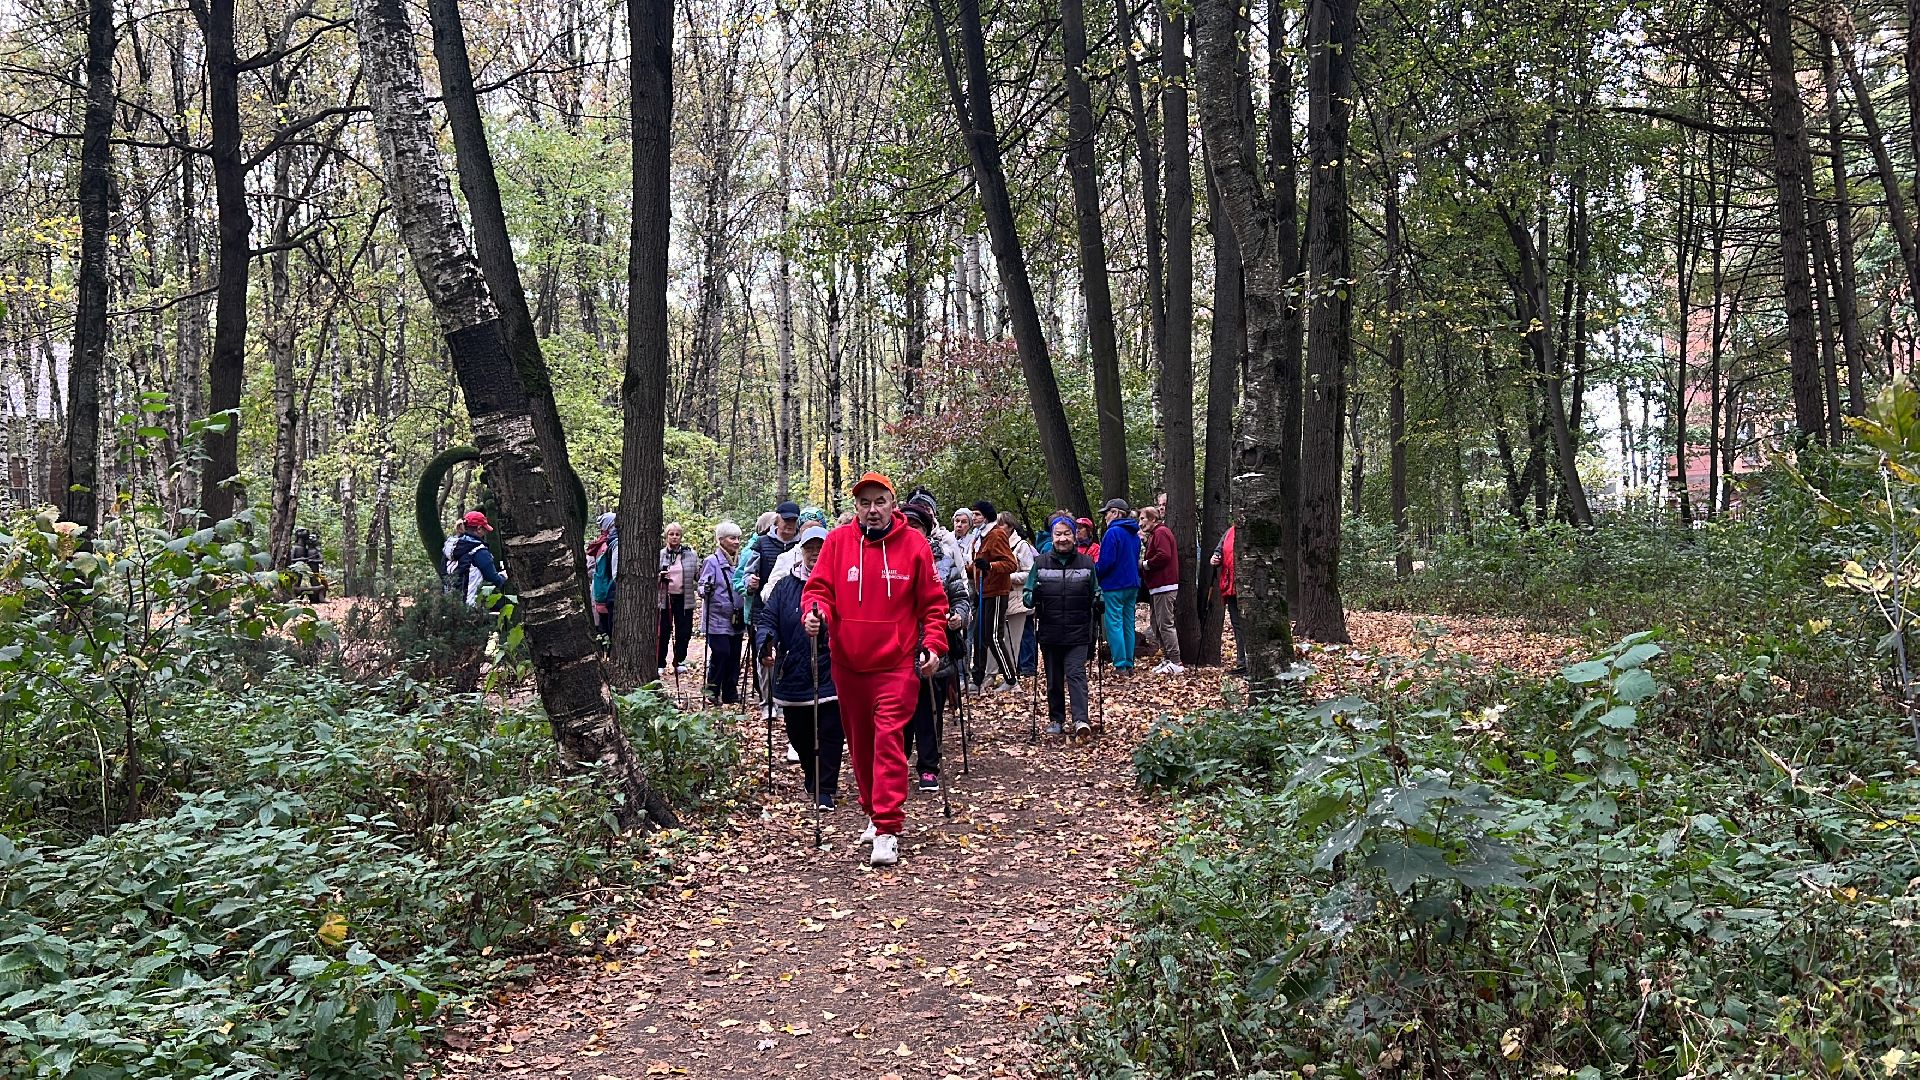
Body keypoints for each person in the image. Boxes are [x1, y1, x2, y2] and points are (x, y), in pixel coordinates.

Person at [802, 472, 948, 867]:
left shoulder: (915, 545)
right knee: (861, 745)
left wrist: (934, 644)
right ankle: (871, 809)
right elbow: (818, 590)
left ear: (892, 503)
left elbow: (933, 605)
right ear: (856, 507)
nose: (872, 510)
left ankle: (887, 828)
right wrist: (816, 614)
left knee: (888, 740)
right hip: (848, 663)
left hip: (896, 663)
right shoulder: (836, 542)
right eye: (865, 503)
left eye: (879, 501)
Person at [757, 524, 842, 810]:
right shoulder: (785, 585)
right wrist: (766, 643)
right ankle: (812, 774)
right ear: (801, 551)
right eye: (810, 549)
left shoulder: (840, 582)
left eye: (820, 548)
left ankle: (825, 787)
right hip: (793, 669)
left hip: (832, 667)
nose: (815, 554)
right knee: (799, 732)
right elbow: (768, 620)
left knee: (831, 729)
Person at [902, 500, 971, 792]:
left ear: (927, 530)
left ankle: (929, 767)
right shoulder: (885, 560)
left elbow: (961, 597)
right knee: (900, 713)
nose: (910, 531)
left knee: (930, 711)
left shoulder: (943, 561)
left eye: (916, 526)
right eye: (906, 525)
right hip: (899, 649)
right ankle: (896, 762)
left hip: (934, 646)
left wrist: (959, 617)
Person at [1026, 516, 1100, 736]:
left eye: (1067, 533)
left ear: (1075, 535)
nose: (1062, 539)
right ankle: (1056, 718)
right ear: (1052, 536)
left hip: (1078, 630)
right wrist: (1033, 596)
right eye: (1058, 534)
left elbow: (1096, 589)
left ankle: (1081, 720)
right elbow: (1027, 596)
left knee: (1076, 674)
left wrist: (1099, 599)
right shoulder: (1041, 563)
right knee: (1054, 677)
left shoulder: (1087, 564)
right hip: (1050, 630)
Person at [970, 511, 1020, 692]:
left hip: (997, 592)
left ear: (986, 516)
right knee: (979, 635)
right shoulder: (979, 536)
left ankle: (1011, 680)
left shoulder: (996, 534)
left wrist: (990, 566)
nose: (974, 517)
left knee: (993, 636)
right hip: (983, 592)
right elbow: (978, 564)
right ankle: (977, 680)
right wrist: (966, 568)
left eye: (977, 514)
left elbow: (1010, 564)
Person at [699, 521, 746, 704]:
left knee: (734, 655)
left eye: (738, 538)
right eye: (732, 538)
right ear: (721, 540)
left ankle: (730, 692)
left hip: (736, 617)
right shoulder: (712, 561)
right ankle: (712, 689)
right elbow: (702, 586)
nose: (736, 542)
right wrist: (706, 590)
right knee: (721, 652)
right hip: (716, 617)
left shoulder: (741, 560)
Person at [1093, 498, 1141, 672]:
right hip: (1132, 584)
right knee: (1129, 623)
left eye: (1106, 513)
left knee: (1114, 623)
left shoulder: (1112, 533)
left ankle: (1120, 664)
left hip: (1114, 585)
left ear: (1115, 513)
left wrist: (1095, 571)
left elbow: (1107, 562)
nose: (1105, 517)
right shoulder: (1134, 534)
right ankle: (1129, 662)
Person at [1139, 506, 1185, 674]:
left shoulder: (1161, 532)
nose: (1140, 523)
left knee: (1165, 624)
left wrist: (1145, 564)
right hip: (1157, 587)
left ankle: (1176, 661)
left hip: (1165, 585)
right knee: (1156, 624)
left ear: (1153, 519)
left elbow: (1164, 555)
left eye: (1143, 519)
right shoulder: (1155, 535)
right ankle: (1167, 658)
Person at [658, 523, 699, 673]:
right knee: (663, 632)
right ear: (666, 536)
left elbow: (698, 575)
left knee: (684, 632)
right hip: (665, 598)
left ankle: (679, 661)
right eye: (671, 534)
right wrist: (659, 577)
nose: (674, 537)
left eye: (677, 534)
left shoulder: (690, 554)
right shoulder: (660, 554)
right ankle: (660, 663)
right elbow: (650, 577)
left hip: (684, 598)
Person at [444, 510, 507, 606]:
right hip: (470, 606)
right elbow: (493, 578)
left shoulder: (451, 549)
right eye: (484, 529)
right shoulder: (479, 551)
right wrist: (503, 576)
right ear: (479, 529)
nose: (485, 532)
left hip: (448, 606)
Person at [1005, 520, 1038, 680]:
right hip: (1009, 597)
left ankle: (1028, 667)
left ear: (1010, 527)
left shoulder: (1021, 546)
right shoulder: (1002, 545)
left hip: (1021, 596)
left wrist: (1007, 577)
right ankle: (1017, 666)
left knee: (1025, 632)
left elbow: (1029, 573)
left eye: (1001, 525)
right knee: (1012, 634)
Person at [1212, 524, 1243, 675]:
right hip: (1231, 587)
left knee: (1248, 625)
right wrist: (1216, 558)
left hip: (1249, 588)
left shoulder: (1251, 529)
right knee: (1237, 625)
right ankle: (1242, 662)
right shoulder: (1230, 532)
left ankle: (1251, 662)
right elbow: (1219, 550)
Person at [587, 512, 618, 641]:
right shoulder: (608, 545)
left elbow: (590, 570)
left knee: (603, 630)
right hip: (607, 593)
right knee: (608, 630)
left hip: (598, 592)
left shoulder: (599, 544)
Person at [289, 527, 326, 602]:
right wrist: (301, 559)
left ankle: (316, 594)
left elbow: (319, 559)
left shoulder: (308, 550)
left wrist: (310, 560)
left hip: (312, 572)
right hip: (297, 571)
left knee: (314, 580)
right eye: (302, 531)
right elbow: (291, 560)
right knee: (297, 581)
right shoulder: (295, 547)